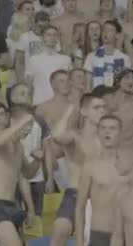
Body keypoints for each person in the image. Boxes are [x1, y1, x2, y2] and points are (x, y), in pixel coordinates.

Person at [0, 101, 41, 246]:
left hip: (13, 206)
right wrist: (22, 121)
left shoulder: (19, 147)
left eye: (30, 125)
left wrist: (37, 160)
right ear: (13, 121)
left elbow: (27, 175)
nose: (29, 129)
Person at [50, 95, 106, 246]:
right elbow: (56, 136)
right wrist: (70, 109)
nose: (102, 111)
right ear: (84, 111)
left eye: (103, 108)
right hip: (76, 193)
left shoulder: (108, 139)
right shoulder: (75, 136)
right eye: (96, 108)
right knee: (60, 229)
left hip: (101, 196)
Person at [75, 115, 123, 246]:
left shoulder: (132, 166)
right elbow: (80, 207)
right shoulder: (90, 166)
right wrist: (79, 242)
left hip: (127, 234)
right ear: (98, 132)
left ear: (120, 133)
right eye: (103, 128)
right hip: (100, 234)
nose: (107, 132)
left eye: (112, 128)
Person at [26, 25, 71, 105]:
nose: (52, 38)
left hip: (60, 105)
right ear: (42, 38)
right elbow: (29, 86)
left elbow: (70, 85)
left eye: (55, 35)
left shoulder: (66, 59)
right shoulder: (33, 60)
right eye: (49, 35)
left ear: (57, 38)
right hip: (39, 103)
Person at [83, 20, 130, 88]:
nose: (106, 33)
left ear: (117, 35)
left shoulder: (124, 58)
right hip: (97, 96)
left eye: (110, 30)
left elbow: (126, 84)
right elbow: (87, 87)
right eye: (104, 30)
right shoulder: (91, 56)